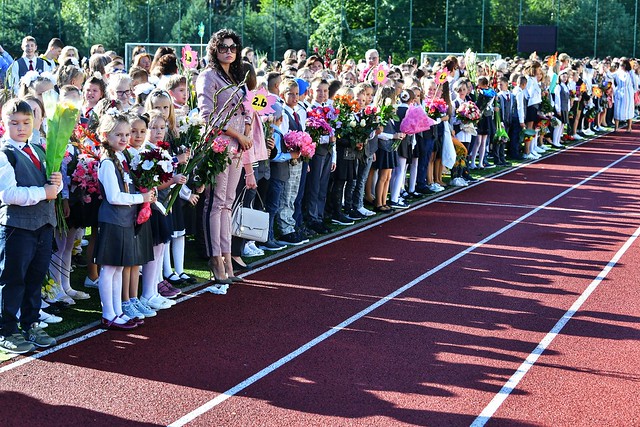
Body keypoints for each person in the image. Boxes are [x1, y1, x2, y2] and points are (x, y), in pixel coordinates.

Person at [0, 99, 61, 353]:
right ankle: (6, 329)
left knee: (35, 278)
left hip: (44, 225)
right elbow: (8, 194)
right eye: (14, 123)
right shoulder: (5, 154)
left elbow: (52, 188)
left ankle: (30, 323)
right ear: (4, 124)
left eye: (26, 122)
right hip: (18, 227)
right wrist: (43, 192)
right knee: (13, 279)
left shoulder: (38, 149)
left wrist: (57, 184)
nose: (21, 128)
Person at [196, 28, 252, 284]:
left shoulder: (237, 75)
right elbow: (208, 115)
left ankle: (228, 258)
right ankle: (216, 259)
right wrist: (238, 135)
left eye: (232, 47)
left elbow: (247, 106)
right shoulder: (208, 76)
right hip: (220, 146)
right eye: (223, 47)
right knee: (216, 202)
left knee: (228, 202)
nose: (228, 52)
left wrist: (248, 127)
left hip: (239, 147)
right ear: (214, 50)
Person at [94, 112, 155, 330]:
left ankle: (118, 310)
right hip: (113, 220)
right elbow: (114, 197)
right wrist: (142, 198)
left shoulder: (122, 157)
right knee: (109, 268)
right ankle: (108, 313)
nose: (123, 139)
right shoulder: (108, 162)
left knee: (119, 268)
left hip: (125, 220)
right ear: (105, 136)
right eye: (118, 134)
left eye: (126, 134)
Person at [613, 59, 637, 132]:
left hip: (628, 93)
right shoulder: (617, 72)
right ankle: (616, 127)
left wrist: (634, 91)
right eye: (620, 65)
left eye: (623, 65)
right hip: (619, 91)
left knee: (629, 109)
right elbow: (610, 76)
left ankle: (629, 127)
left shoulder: (630, 72)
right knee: (617, 109)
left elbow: (635, 82)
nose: (621, 67)